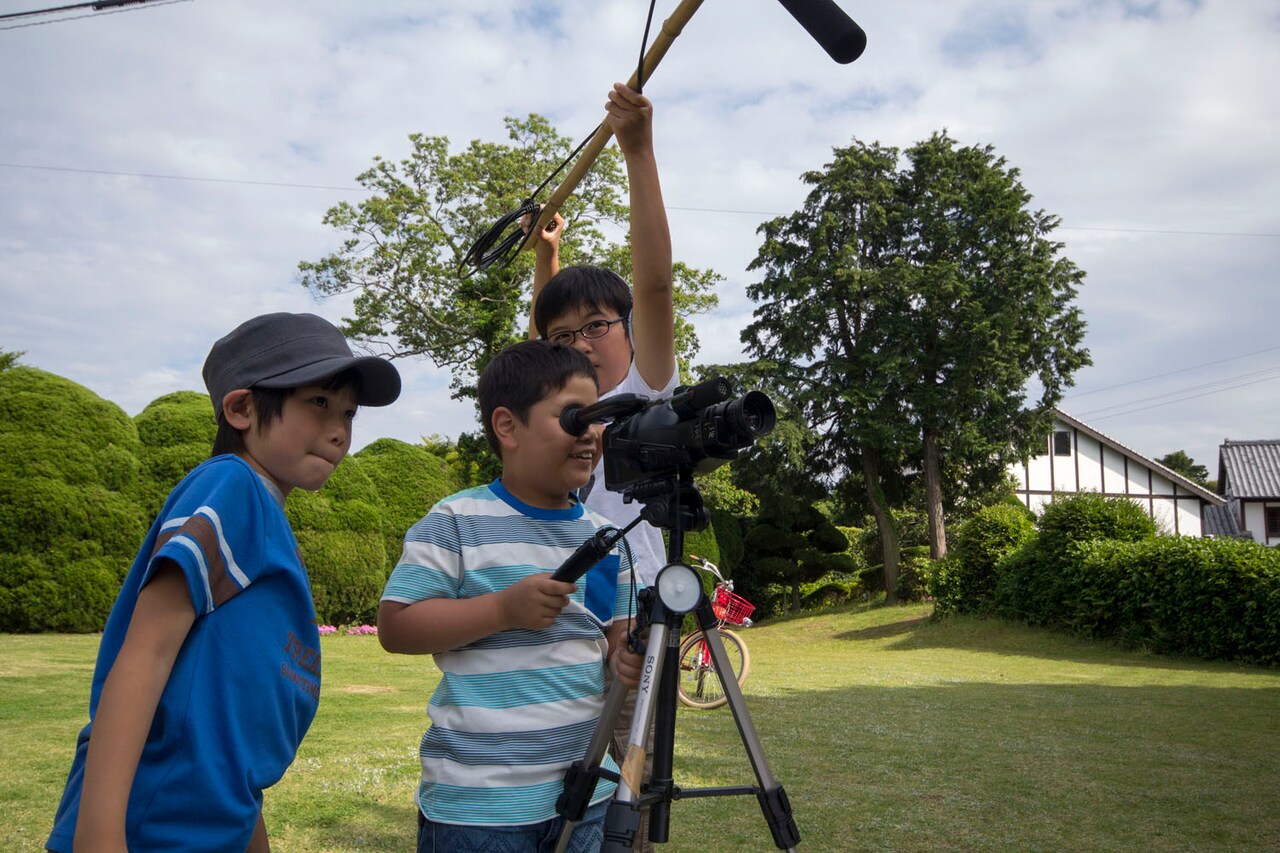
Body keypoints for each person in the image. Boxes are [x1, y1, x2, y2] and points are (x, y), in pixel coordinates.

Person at [45, 312, 402, 853]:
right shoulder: (232, 486)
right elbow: (145, 655)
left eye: (349, 413)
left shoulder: (266, 520)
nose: (340, 430)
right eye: (320, 403)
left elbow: (231, 748)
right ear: (240, 408)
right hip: (152, 829)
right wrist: (99, 839)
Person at [378, 340, 644, 853]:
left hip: (587, 795)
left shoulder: (609, 537)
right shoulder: (456, 522)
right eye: (574, 416)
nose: (591, 432)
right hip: (476, 809)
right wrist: (502, 609)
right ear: (507, 427)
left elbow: (612, 641)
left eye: (597, 418)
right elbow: (396, 626)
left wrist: (628, 657)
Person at [529, 82, 678, 852]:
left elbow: (653, 283)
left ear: (625, 330)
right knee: (556, 771)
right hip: (562, 609)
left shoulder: (643, 393)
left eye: (597, 326)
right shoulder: (560, 413)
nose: (582, 342)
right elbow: (543, 360)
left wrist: (638, 151)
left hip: (635, 616)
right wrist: (545, 260)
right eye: (565, 333)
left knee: (633, 784)